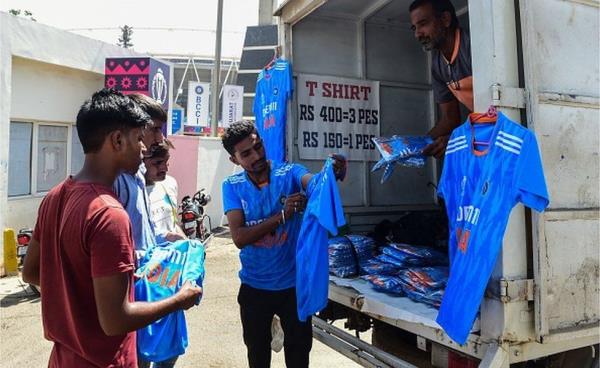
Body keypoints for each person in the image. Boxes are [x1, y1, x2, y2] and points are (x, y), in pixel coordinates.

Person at [22, 88, 202, 368]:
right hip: (106, 360)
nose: (144, 148)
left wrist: (80, 299)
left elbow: (32, 271)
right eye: (138, 139)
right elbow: (117, 320)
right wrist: (180, 299)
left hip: (63, 357)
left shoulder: (56, 195)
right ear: (117, 140)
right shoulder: (109, 214)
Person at [220, 120, 346, 368]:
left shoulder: (289, 173)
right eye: (246, 153)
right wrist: (282, 215)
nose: (256, 156)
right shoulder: (232, 186)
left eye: (258, 147)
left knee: (299, 358)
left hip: (293, 289)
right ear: (234, 160)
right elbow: (239, 238)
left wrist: (331, 172)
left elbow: (314, 182)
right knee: (257, 358)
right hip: (254, 288)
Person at [112, 93, 183, 260]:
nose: (160, 138)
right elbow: (113, 252)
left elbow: (142, 234)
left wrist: (167, 238)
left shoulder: (138, 173)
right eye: (155, 129)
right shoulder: (114, 181)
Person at [409, 0, 473, 158]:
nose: (417, 34)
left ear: (445, 19)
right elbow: (450, 119)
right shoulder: (437, 65)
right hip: (484, 131)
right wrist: (417, 145)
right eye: (414, 28)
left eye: (423, 24)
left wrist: (455, 141)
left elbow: (496, 109)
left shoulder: (472, 45)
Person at [144, 141, 187, 247]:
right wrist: (165, 237)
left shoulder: (170, 184)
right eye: (157, 163)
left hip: (172, 260)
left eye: (166, 161)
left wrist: (186, 244)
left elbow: (174, 224)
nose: (165, 168)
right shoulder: (131, 191)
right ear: (141, 161)